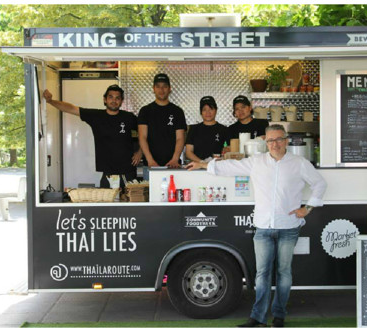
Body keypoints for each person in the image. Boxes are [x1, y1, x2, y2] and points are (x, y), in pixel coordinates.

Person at [187, 124, 326, 328]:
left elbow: (320, 184)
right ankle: (258, 318)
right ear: (265, 142)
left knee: (284, 273)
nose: (274, 144)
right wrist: (202, 164)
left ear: (286, 140)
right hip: (262, 227)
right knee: (262, 275)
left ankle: (279, 316)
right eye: (270, 140)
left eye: (279, 139)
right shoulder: (256, 162)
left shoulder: (300, 163)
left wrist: (308, 208)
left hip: (289, 227)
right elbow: (228, 167)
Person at [42, 85, 142, 189]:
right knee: (107, 203)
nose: (114, 100)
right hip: (108, 174)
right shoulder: (96, 116)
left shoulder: (129, 117)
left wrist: (140, 152)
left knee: (131, 203)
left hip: (128, 172)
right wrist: (51, 101)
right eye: (111, 97)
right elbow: (71, 108)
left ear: (121, 101)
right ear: (105, 100)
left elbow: (144, 132)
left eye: (117, 98)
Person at [138, 73, 187, 168]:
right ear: (153, 89)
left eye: (164, 86)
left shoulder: (177, 111)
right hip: (150, 166)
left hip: (172, 165)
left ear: (169, 89)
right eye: (158, 86)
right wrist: (150, 160)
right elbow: (142, 137)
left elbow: (180, 138)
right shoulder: (145, 111)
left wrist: (175, 159)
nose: (161, 90)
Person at [185, 96, 229, 162]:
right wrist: (202, 163)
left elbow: (228, 151)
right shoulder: (193, 129)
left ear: (216, 110)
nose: (208, 112)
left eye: (211, 109)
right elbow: (188, 152)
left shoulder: (224, 130)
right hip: (197, 168)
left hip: (217, 168)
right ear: (201, 112)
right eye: (204, 109)